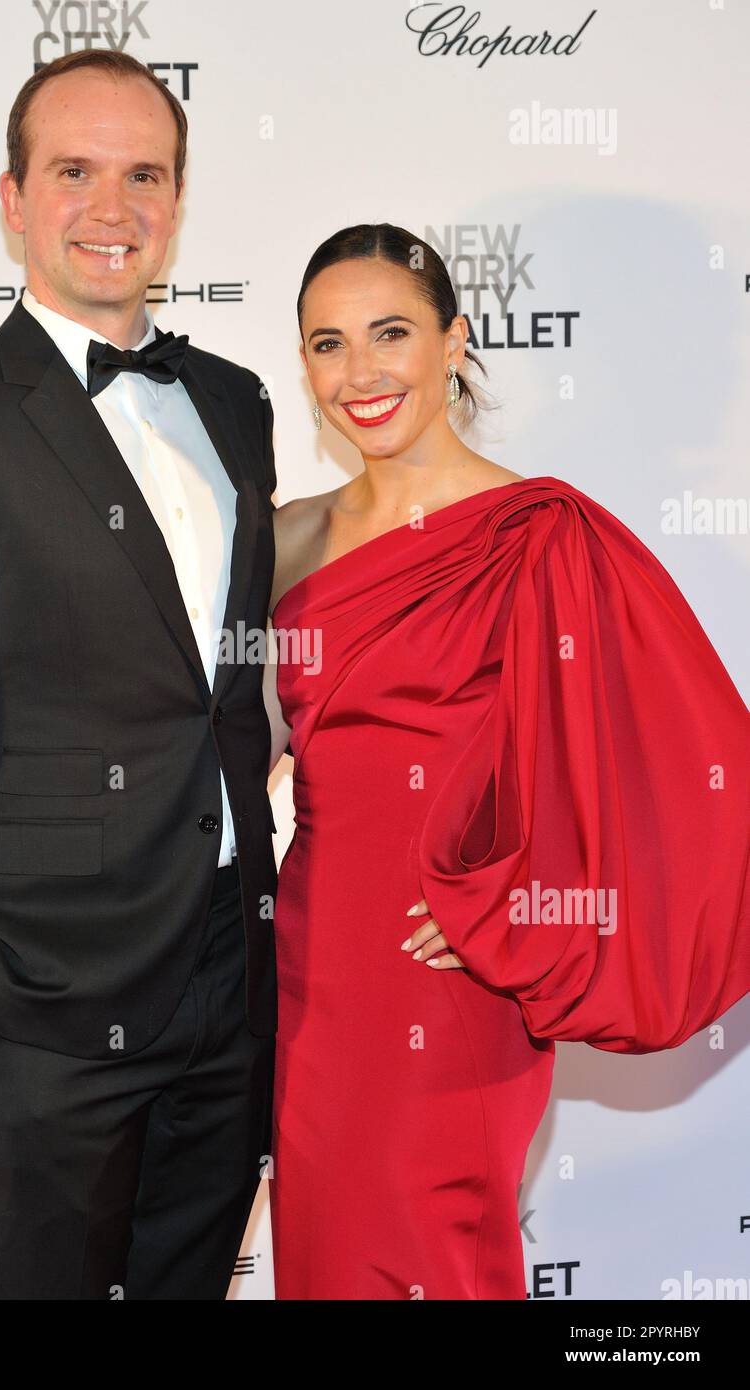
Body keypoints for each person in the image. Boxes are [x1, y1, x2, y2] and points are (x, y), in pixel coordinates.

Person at [0, 49, 278, 1300]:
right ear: (13, 199)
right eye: (75, 171)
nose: (113, 207)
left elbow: (226, 692)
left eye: (145, 174)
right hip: (43, 1006)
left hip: (227, 982)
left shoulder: (236, 405)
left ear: (180, 203)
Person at [262, 222, 750, 1300]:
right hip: (307, 969)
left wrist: (526, 908)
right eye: (328, 343)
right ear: (302, 366)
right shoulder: (285, 538)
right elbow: (231, 760)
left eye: (390, 334)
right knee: (324, 1254)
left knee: (425, 1251)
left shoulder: (539, 535)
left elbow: (674, 781)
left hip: (450, 983)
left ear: (453, 343)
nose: (360, 372)